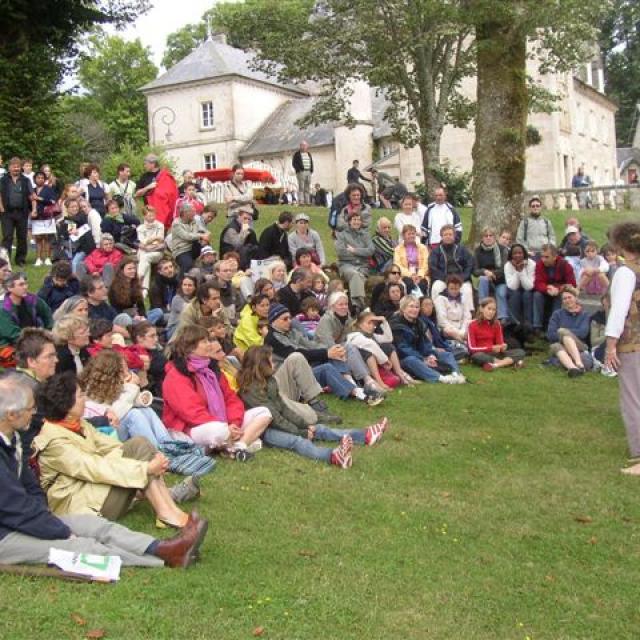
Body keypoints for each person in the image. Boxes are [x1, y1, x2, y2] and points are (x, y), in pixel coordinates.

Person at [0, 374, 208, 569]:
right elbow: (15, 505)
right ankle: (163, 560)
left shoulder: (14, 439)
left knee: (96, 527)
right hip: (5, 535)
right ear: (11, 415)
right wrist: (57, 530)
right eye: (29, 409)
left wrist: (44, 520)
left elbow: (30, 489)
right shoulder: (43, 439)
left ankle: (162, 547)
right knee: (80, 546)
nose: (35, 413)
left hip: (23, 520)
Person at [34, 373, 193, 529]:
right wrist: (145, 468)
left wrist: (148, 459)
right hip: (81, 506)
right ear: (65, 404)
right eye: (81, 395)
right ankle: (167, 512)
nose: (85, 399)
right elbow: (94, 468)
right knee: (139, 457)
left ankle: (167, 510)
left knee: (140, 444)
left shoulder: (78, 424)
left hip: (94, 489)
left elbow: (112, 446)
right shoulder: (54, 441)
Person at [238, 346, 389, 468]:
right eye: (271, 362)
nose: (275, 364)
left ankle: (365, 435)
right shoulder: (250, 390)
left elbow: (283, 408)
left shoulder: (270, 381)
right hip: (264, 431)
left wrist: (305, 425)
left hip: (277, 421)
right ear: (262, 365)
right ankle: (334, 456)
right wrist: (301, 432)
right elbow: (274, 419)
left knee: (319, 429)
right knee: (297, 441)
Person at [162, 326, 272, 456]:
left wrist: (233, 423)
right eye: (204, 342)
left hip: (224, 424)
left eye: (208, 340)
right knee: (217, 430)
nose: (209, 345)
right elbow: (191, 412)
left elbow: (231, 399)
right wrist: (225, 427)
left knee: (264, 412)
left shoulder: (212, 370)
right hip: (192, 429)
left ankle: (239, 447)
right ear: (190, 347)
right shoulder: (176, 375)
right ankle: (236, 442)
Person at [266, 303, 383, 405]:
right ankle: (361, 394)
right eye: (285, 319)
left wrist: (331, 350)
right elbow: (298, 354)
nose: (289, 321)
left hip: (304, 369)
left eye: (289, 318)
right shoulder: (272, 339)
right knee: (326, 367)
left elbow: (311, 344)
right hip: (289, 381)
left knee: (337, 351)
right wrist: (327, 353)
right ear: (274, 320)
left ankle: (355, 385)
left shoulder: (291, 331)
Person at [603, 223, 640, 469]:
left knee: (633, 397)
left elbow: (619, 311)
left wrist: (610, 345)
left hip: (632, 342)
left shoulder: (625, 273)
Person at [315, 291, 388, 395]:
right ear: (332, 306)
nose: (344, 307)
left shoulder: (347, 318)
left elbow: (352, 337)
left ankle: (368, 380)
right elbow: (328, 343)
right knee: (346, 348)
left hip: (341, 349)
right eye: (340, 304)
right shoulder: (326, 320)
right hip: (324, 352)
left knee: (352, 347)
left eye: (346, 304)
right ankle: (353, 383)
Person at [390, 296, 465, 383]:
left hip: (421, 355)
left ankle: (456, 374)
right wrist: (423, 359)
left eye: (417, 307)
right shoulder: (396, 325)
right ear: (403, 308)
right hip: (403, 359)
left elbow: (425, 343)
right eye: (411, 306)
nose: (414, 309)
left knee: (446, 354)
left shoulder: (419, 323)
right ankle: (442, 378)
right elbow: (403, 349)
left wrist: (430, 354)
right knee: (412, 360)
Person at [467, 297, 526, 371]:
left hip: (495, 354)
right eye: (489, 309)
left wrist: (502, 347)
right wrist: (491, 348)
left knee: (520, 352)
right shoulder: (472, 325)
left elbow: (500, 343)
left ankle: (496, 365)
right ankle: (509, 362)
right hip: (481, 353)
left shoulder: (497, 323)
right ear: (481, 309)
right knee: (476, 356)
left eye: (493, 310)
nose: (491, 312)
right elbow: (471, 348)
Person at [545, 285, 592, 377]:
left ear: (575, 298)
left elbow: (583, 333)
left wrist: (564, 332)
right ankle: (574, 368)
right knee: (555, 345)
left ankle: (577, 362)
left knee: (563, 332)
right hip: (560, 346)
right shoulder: (557, 314)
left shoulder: (585, 315)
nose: (567, 300)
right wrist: (566, 340)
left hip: (580, 347)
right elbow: (550, 335)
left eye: (569, 297)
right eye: (564, 298)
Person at [0, 272, 53, 348]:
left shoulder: (33, 299)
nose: (25, 287)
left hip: (36, 339)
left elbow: (47, 315)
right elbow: (14, 335)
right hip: (12, 345)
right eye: (21, 285)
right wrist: (38, 341)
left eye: (25, 284)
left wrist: (49, 331)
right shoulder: (3, 309)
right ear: (9, 288)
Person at [335, 212, 374, 312]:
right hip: (346, 265)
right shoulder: (342, 235)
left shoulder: (365, 235)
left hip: (363, 266)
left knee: (359, 274)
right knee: (356, 275)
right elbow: (341, 252)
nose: (356, 222)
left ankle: (356, 307)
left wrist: (355, 250)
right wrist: (362, 252)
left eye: (358, 220)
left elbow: (371, 250)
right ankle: (361, 305)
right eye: (354, 220)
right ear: (349, 222)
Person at [428, 224, 474, 308]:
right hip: (443, 279)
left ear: (454, 236)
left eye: (450, 234)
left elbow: (470, 264)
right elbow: (433, 268)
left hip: (461, 278)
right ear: (441, 236)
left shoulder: (462, 249)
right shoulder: (436, 251)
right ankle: (436, 311)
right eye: (445, 234)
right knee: (436, 287)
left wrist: (462, 278)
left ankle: (469, 314)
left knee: (466, 290)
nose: (448, 236)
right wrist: (446, 279)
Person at [533, 244, 576, 331]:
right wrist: (547, 289)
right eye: (542, 256)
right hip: (546, 291)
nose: (543, 259)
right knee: (537, 295)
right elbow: (538, 283)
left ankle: (553, 326)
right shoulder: (539, 265)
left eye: (546, 257)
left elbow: (572, 283)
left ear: (555, 256)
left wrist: (559, 289)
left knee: (560, 297)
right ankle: (537, 327)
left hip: (560, 292)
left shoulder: (565, 265)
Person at [0, 157, 34, 266]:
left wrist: (34, 209)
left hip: (22, 212)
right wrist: (1, 208)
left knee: (22, 237)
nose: (16, 169)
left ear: (21, 168)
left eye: (18, 167)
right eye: (14, 167)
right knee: (7, 237)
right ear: (9, 167)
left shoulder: (25, 180)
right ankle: (5, 260)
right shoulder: (3, 180)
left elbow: (31, 195)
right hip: (7, 213)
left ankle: (20, 260)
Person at [473, 227, 509, 323]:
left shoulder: (502, 250)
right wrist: (485, 272)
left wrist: (492, 274)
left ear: (495, 237)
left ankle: (502, 319)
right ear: (482, 238)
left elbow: (504, 269)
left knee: (501, 293)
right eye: (486, 236)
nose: (488, 238)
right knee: (483, 279)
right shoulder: (478, 251)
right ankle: (482, 312)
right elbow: (475, 271)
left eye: (491, 236)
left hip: (500, 279)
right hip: (485, 279)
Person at [135, 154, 179, 230]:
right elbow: (137, 194)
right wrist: (148, 187)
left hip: (163, 213)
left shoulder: (165, 176)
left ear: (153, 164)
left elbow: (172, 195)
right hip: (148, 212)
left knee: (160, 237)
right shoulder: (144, 176)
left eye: (146, 163)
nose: (144, 166)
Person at [433, 274, 473, 351]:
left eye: (456, 289)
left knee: (472, 324)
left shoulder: (463, 298)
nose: (454, 291)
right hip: (448, 328)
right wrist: (458, 333)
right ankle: (464, 345)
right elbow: (442, 320)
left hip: (462, 327)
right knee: (448, 331)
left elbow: (467, 316)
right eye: (451, 288)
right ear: (447, 287)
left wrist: (463, 330)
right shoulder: (441, 299)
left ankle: (464, 345)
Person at [171, 202, 211, 276]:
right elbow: (187, 236)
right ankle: (181, 281)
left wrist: (207, 234)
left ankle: (209, 269)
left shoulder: (193, 221)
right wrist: (201, 236)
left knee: (207, 247)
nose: (195, 213)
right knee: (187, 264)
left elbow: (204, 231)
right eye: (193, 211)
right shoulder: (176, 224)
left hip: (192, 248)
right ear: (185, 213)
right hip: (181, 250)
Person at [504, 243, 536, 331]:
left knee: (527, 295)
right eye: (515, 253)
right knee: (515, 295)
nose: (517, 255)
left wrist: (521, 271)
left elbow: (529, 286)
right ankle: (515, 324)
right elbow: (512, 286)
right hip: (514, 290)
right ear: (511, 255)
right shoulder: (508, 265)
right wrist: (517, 270)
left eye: (520, 253)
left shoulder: (531, 264)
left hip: (528, 290)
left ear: (524, 254)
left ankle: (528, 325)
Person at [31, 170, 58, 266]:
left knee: (47, 238)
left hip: (47, 216)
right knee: (38, 238)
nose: (40, 179)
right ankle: (38, 258)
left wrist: (39, 199)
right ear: (35, 179)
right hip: (36, 216)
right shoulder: (32, 190)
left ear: (45, 179)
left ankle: (47, 258)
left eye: (42, 178)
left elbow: (53, 201)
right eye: (38, 177)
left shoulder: (49, 189)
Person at [394, 224, 430, 296]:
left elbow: (426, 263)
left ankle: (421, 303)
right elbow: (397, 265)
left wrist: (419, 275)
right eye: (409, 234)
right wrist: (411, 275)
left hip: (421, 274)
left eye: (413, 233)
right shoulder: (398, 249)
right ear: (403, 236)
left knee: (422, 284)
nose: (411, 236)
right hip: (406, 275)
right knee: (409, 284)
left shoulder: (423, 247)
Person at [137, 205, 166, 293]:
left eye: (153, 215)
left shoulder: (160, 225)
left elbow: (160, 240)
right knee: (145, 259)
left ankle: (138, 278)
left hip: (157, 252)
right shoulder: (140, 228)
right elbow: (142, 242)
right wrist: (153, 239)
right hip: (144, 251)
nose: (152, 217)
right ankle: (145, 290)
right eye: (149, 215)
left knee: (145, 257)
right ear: (144, 216)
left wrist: (148, 243)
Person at [292, 141, 314, 205]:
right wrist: (299, 169)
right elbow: (294, 163)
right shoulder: (297, 154)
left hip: (308, 171)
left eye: (305, 145)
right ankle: (301, 201)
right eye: (303, 145)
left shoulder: (308, 154)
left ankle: (307, 201)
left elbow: (311, 162)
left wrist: (311, 170)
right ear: (300, 146)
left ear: (307, 146)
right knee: (301, 187)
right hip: (301, 172)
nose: (304, 147)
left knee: (307, 187)